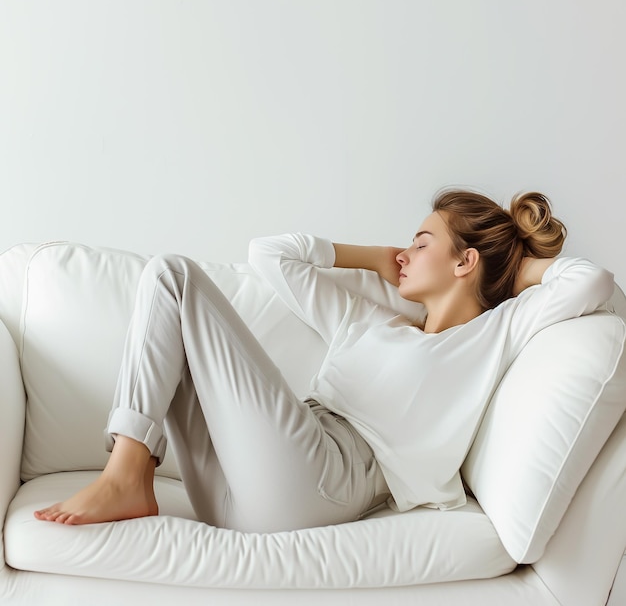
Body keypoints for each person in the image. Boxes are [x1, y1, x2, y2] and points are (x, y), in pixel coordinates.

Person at [34, 189, 614, 531]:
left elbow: (590, 283)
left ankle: (126, 472)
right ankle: (131, 471)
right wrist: (375, 259)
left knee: (172, 274)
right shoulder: (367, 319)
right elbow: (271, 257)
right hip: (241, 489)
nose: (406, 253)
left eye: (420, 241)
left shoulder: (489, 336)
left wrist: (508, 269)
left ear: (464, 262)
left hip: (326, 478)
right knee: (171, 301)